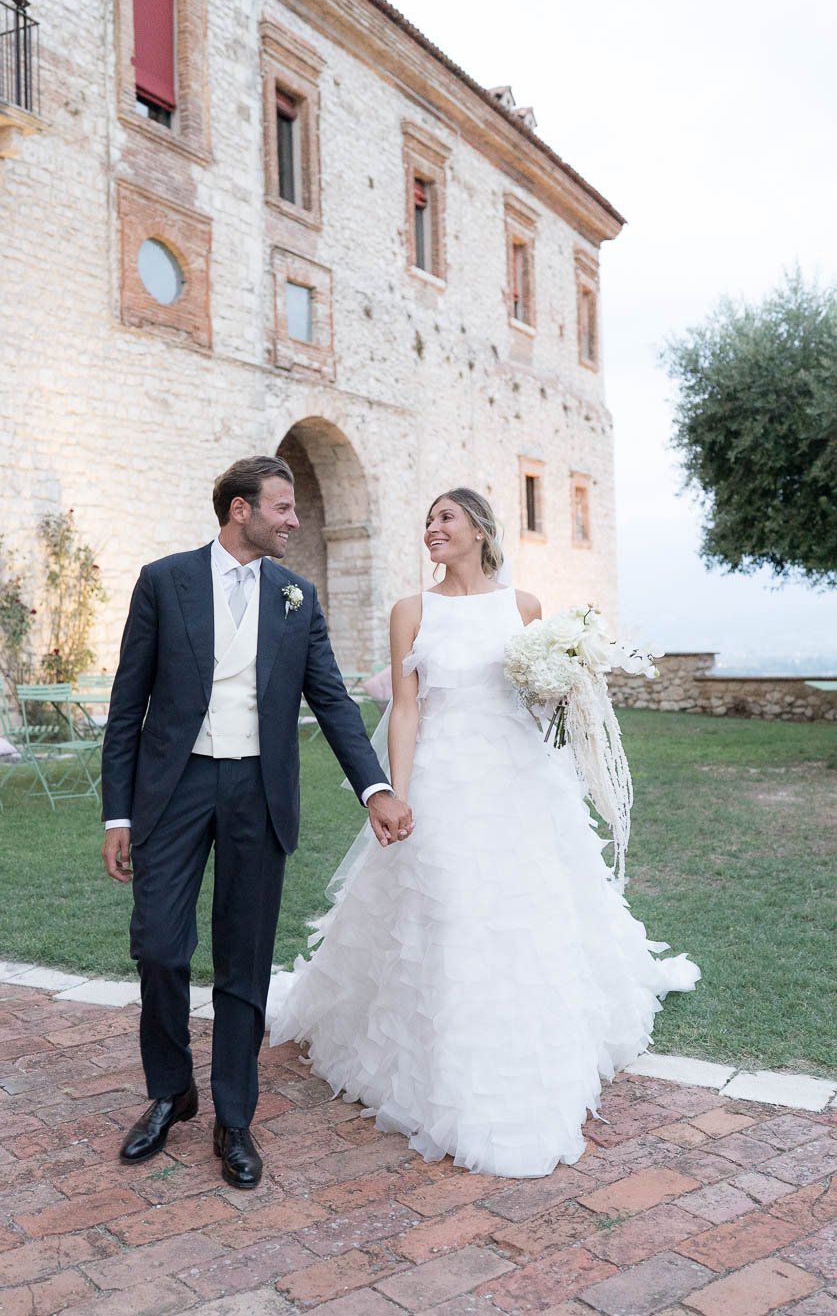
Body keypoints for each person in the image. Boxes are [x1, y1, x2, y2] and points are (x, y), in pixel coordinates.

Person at [268, 487, 699, 1178]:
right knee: (444, 905)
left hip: (518, 782)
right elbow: (405, 710)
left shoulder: (523, 608)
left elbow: (537, 706)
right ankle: (437, 1055)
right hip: (441, 779)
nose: (431, 529)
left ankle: (529, 1040)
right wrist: (395, 792)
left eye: (443, 518)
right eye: (427, 520)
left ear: (477, 529)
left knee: (527, 907)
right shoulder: (410, 611)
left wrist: (564, 685)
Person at [101, 455, 413, 1189]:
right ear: (239, 511)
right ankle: (171, 1091)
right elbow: (126, 707)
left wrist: (374, 788)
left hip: (258, 793)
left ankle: (233, 1116)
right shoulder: (163, 580)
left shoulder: (296, 595)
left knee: (243, 962)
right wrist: (118, 812)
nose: (293, 520)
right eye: (281, 507)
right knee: (158, 947)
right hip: (170, 792)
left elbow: (333, 701)